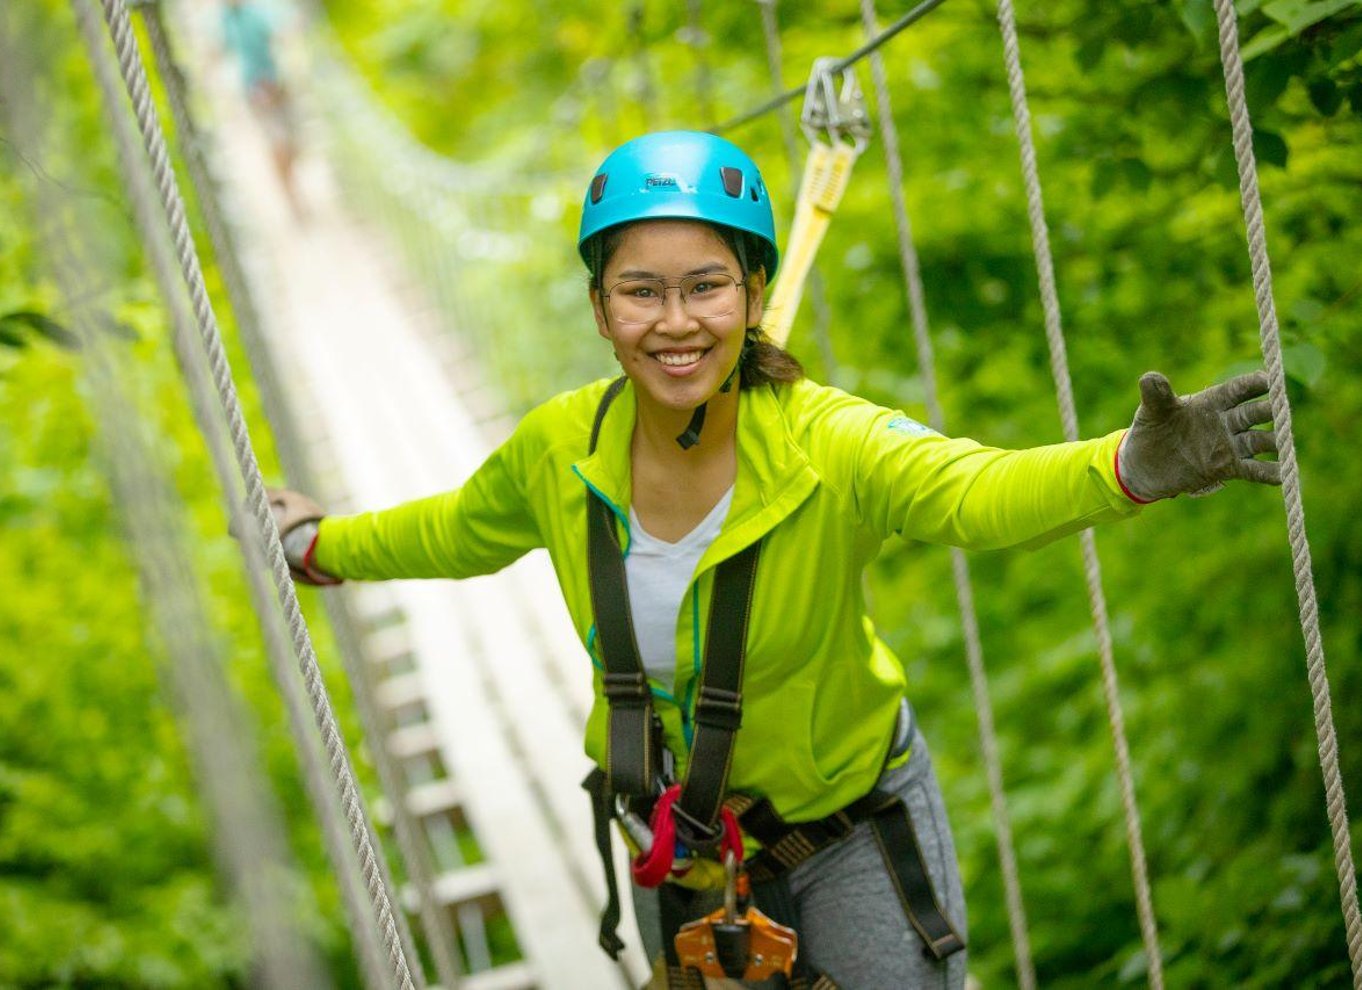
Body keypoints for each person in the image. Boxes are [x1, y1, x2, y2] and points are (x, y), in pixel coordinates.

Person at [268, 131, 1279, 988]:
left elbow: (973, 490)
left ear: (753, 292)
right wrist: (321, 548)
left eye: (706, 287)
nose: (674, 323)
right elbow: (454, 528)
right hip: (677, 847)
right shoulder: (556, 451)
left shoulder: (825, 445)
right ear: (600, 309)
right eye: (641, 293)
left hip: (850, 829)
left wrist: (1127, 468)